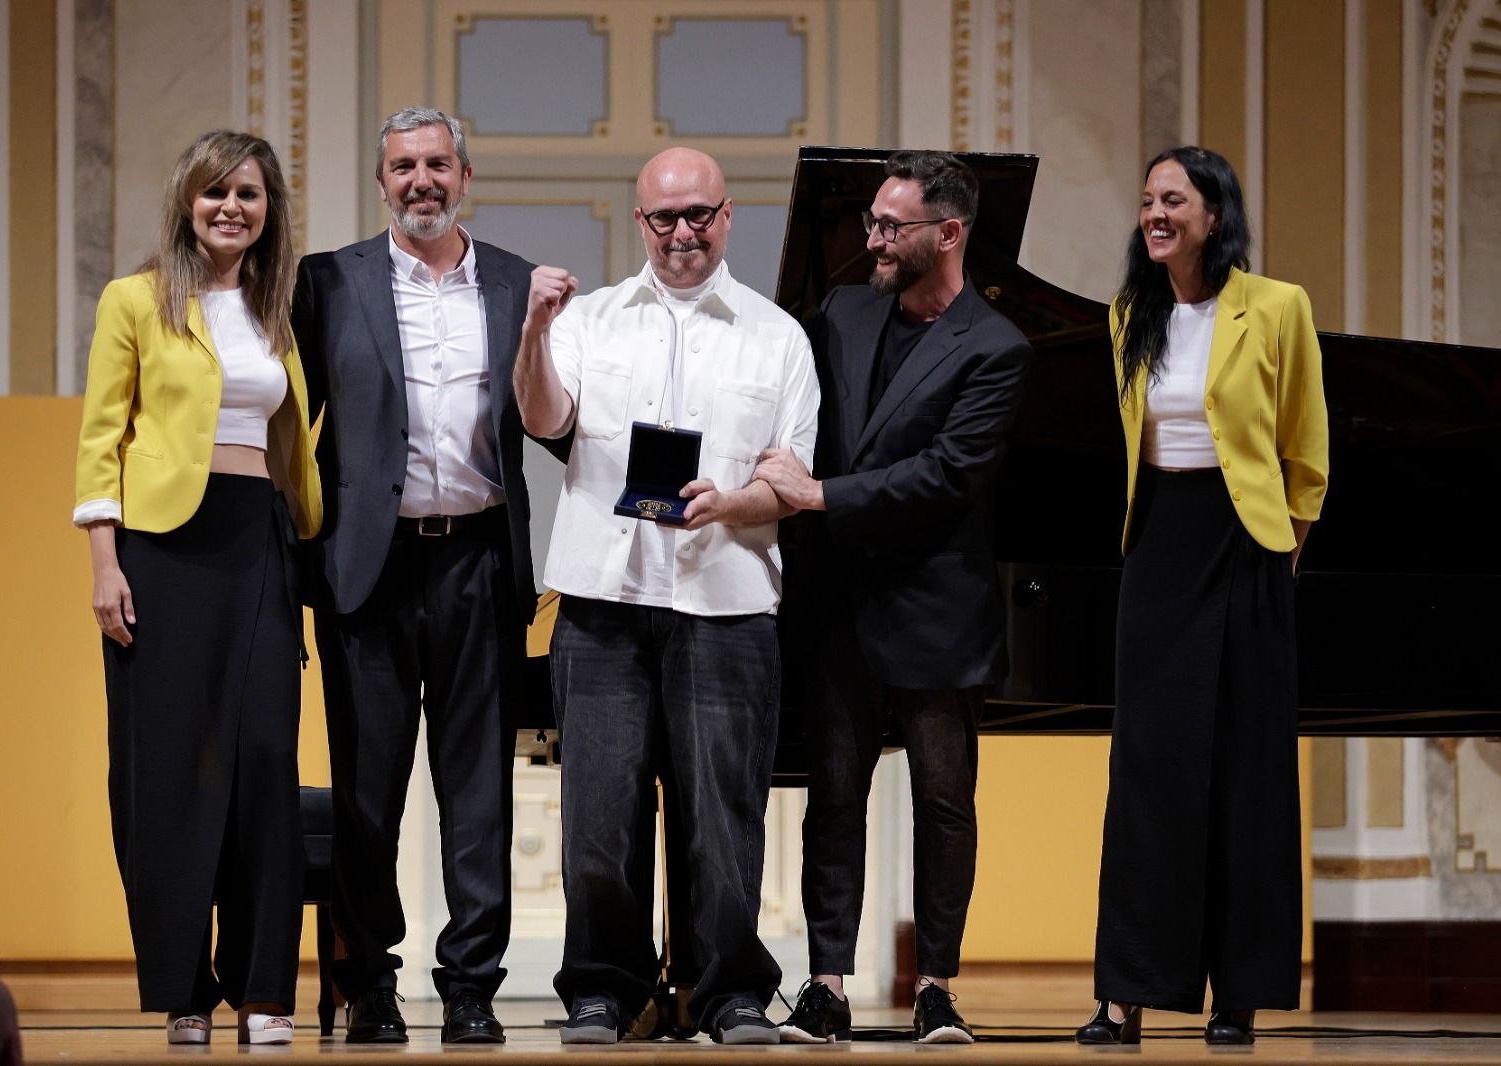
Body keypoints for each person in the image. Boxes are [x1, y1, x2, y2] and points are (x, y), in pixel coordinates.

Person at [513, 147, 819, 1046]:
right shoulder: (590, 321)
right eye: (663, 218)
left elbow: (790, 481)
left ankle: (726, 994)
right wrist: (534, 329)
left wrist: (733, 504)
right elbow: (544, 420)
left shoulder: (778, 338)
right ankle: (607, 990)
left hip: (726, 602)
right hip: (603, 606)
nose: (681, 233)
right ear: (640, 220)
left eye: (698, 215)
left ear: (728, 218)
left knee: (724, 818)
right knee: (599, 815)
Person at [754, 150, 1031, 1044]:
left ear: (947, 234)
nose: (871, 238)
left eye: (889, 226)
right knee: (834, 797)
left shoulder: (997, 348)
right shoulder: (842, 312)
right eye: (872, 220)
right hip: (839, 603)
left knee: (945, 803)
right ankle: (826, 982)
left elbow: (948, 477)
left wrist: (822, 496)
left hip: (935, 607)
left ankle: (937, 986)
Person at [291, 107, 547, 1045]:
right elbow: (290, 426)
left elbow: (558, 421)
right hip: (369, 568)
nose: (421, 181)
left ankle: (473, 985)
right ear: (381, 182)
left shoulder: (519, 283)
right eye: (403, 167)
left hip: (480, 558)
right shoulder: (328, 282)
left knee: (476, 787)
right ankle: (372, 984)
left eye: (437, 164)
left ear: (465, 176)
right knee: (367, 789)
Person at [1074, 146, 1328, 1047]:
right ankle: (1125, 994)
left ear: (1214, 214)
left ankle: (1239, 996)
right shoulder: (1125, 317)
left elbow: (1307, 450)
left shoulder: (1278, 308)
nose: (1154, 213)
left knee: (1248, 775)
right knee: (1147, 775)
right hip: (1158, 553)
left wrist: (1283, 552)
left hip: (1249, 547)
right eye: (1146, 199)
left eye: (1172, 199)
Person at [74, 130, 322, 1047]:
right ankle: (183, 988)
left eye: (249, 194)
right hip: (161, 553)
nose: (231, 207)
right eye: (216, 191)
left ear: (269, 210)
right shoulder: (134, 299)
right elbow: (101, 438)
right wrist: (105, 565)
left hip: (260, 542)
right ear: (187, 200)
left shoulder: (278, 309)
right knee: (171, 768)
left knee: (263, 764)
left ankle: (264, 991)